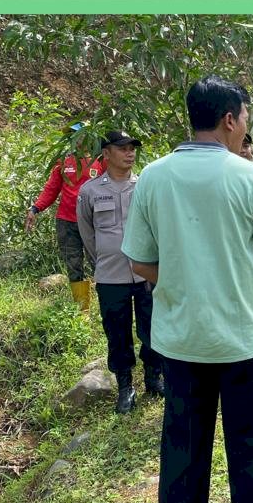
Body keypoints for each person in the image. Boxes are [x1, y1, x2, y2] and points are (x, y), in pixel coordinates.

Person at [121, 75, 253, 503]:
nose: (247, 126)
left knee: (182, 459)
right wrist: (240, 289)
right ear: (228, 119)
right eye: (245, 117)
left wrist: (183, 286)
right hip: (243, 345)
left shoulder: (153, 177)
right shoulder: (251, 179)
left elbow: (140, 262)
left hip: (180, 347)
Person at [76, 130, 164, 412]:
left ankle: (154, 377)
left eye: (132, 148)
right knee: (117, 331)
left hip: (147, 273)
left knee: (153, 327)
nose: (130, 153)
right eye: (123, 148)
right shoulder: (90, 191)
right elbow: (87, 234)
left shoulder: (145, 185)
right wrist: (103, 258)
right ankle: (126, 386)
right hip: (111, 276)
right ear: (107, 154)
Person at [25, 126, 106, 312]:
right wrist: (35, 208)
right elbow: (51, 189)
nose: (74, 138)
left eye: (78, 134)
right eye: (71, 135)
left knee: (99, 263)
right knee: (74, 265)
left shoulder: (100, 160)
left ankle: (107, 306)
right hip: (67, 221)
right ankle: (83, 309)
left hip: (93, 222)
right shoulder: (63, 161)